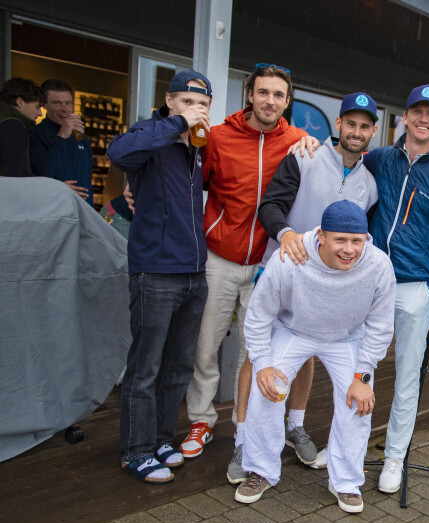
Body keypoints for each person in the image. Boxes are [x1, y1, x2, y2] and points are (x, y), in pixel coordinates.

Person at [179, 64, 309, 472]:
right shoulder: (218, 137)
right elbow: (190, 184)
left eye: (279, 95)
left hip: (267, 264)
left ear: (287, 102)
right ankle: (201, 421)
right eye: (264, 92)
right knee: (206, 344)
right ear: (250, 95)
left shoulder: (299, 142)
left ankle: (245, 423)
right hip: (219, 256)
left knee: (256, 352)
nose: (271, 100)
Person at [251, 90, 380, 482]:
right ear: (337, 124)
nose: (356, 132)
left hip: (329, 292)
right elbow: (269, 206)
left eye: (364, 126)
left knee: (307, 355)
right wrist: (287, 233)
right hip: (287, 273)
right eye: (350, 123)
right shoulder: (303, 155)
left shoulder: (370, 184)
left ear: (373, 132)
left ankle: (296, 425)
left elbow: (362, 243)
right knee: (259, 362)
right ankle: (246, 443)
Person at [237, 201, 396, 511]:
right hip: (293, 330)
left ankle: (346, 482)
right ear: (321, 236)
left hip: (346, 337)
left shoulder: (378, 265)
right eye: (340, 240)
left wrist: (363, 375)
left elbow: (380, 325)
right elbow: (258, 315)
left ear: (366, 238)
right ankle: (260, 470)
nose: (349, 249)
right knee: (267, 389)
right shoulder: (290, 257)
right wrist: (262, 363)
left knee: (358, 403)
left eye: (357, 241)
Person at [106, 70, 212, 483]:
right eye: (187, 101)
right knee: (145, 367)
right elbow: (119, 154)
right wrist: (176, 125)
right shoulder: (152, 132)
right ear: (170, 101)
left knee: (178, 367)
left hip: (193, 272)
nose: (195, 110)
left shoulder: (197, 147)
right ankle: (135, 450)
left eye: (201, 104)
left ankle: (162, 439)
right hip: (155, 270)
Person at [363, 84, 429, 494]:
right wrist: (310, 144)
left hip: (414, 287)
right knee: (359, 369)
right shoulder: (383, 159)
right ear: (403, 117)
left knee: (407, 376)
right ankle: (349, 448)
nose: (424, 119)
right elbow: (346, 156)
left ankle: (393, 457)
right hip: (371, 282)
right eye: (416, 111)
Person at [29, 79, 93, 206]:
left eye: (68, 103)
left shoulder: (79, 134)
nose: (65, 109)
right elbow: (43, 173)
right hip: (55, 208)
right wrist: (62, 135)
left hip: (84, 209)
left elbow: (86, 172)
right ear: (44, 104)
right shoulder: (35, 134)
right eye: (57, 103)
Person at [0, 77, 42, 177]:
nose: (40, 113)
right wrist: (54, 186)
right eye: (37, 106)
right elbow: (17, 176)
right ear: (19, 102)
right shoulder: (12, 126)